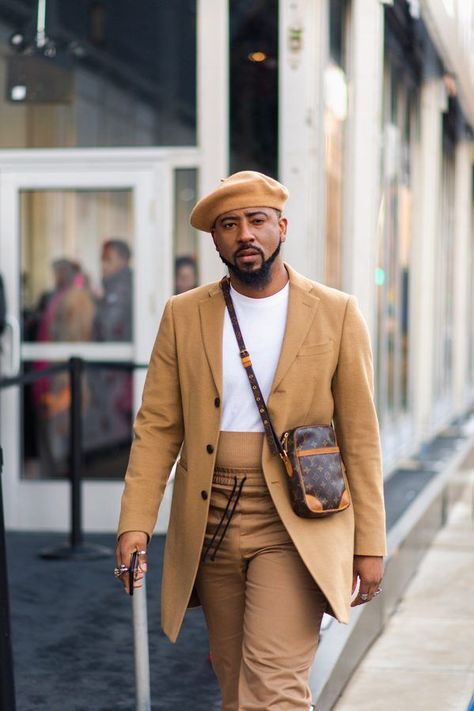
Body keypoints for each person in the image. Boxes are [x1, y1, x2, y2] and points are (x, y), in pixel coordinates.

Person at [115, 171, 386, 710]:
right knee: (236, 682)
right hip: (209, 512)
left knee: (274, 687)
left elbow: (360, 436)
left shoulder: (335, 312)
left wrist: (370, 542)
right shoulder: (184, 313)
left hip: (295, 514)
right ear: (214, 239)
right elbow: (157, 427)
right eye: (229, 225)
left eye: (257, 221)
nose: (245, 234)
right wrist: (135, 521)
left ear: (281, 227)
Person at [93, 239, 132, 342]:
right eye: (102, 259)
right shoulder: (110, 287)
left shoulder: (123, 289)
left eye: (108, 259)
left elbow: (108, 328)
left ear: (123, 260)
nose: (103, 265)